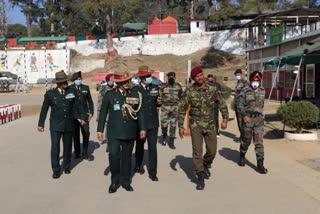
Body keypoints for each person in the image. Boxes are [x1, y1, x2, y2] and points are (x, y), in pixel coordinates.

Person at [178, 66, 229, 190]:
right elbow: (182, 109)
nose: (200, 77)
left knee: (212, 150)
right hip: (195, 125)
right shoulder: (189, 92)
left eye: (201, 75)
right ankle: (200, 176)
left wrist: (225, 119)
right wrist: (180, 126)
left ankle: (206, 163)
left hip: (210, 124)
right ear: (194, 79)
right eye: (197, 76)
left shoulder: (213, 89)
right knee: (197, 151)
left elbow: (222, 103)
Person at [97, 68, 146, 193]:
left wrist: (142, 128)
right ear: (118, 83)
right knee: (113, 156)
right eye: (124, 82)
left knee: (127, 158)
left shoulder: (134, 94)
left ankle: (125, 181)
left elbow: (140, 113)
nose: (126, 83)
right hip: (114, 132)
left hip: (129, 131)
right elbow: (103, 113)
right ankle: (115, 181)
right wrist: (100, 130)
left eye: (127, 81)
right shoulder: (109, 95)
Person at [38, 71, 87, 179]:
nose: (66, 83)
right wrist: (41, 124)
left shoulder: (72, 91)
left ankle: (67, 166)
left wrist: (83, 117)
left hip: (69, 124)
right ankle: (56, 170)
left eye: (66, 81)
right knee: (55, 147)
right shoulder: (50, 94)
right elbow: (44, 109)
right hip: (55, 125)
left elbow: (78, 105)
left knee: (68, 147)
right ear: (59, 83)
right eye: (64, 82)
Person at [132, 65, 162, 181]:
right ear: (143, 77)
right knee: (139, 146)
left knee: (153, 148)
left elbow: (157, 102)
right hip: (140, 124)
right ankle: (138, 165)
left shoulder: (155, 88)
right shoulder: (135, 90)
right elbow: (134, 108)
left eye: (150, 75)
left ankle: (153, 172)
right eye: (148, 76)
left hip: (153, 123)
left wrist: (159, 102)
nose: (150, 77)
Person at [238, 71, 268, 174]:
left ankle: (260, 164)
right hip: (248, 119)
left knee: (259, 143)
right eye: (254, 80)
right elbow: (240, 106)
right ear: (251, 81)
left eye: (257, 81)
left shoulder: (263, 91)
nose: (256, 82)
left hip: (258, 120)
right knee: (246, 141)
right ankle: (242, 155)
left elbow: (262, 104)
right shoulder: (245, 91)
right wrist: (244, 116)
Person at [70, 71, 94, 159]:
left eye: (79, 79)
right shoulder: (70, 88)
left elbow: (90, 101)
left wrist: (91, 112)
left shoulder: (86, 88)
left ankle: (85, 152)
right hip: (74, 116)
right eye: (76, 79)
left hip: (85, 114)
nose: (78, 80)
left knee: (86, 133)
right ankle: (77, 152)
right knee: (75, 135)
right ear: (74, 80)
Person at [160, 72, 183, 149]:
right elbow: (159, 96)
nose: (171, 78)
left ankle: (171, 141)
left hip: (174, 108)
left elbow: (181, 96)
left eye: (172, 77)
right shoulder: (163, 86)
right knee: (164, 124)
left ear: (175, 78)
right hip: (165, 108)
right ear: (167, 78)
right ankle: (164, 136)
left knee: (173, 125)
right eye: (169, 77)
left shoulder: (178, 86)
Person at [96, 74, 114, 151]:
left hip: (115, 112)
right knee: (108, 128)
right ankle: (109, 142)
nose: (112, 81)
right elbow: (99, 102)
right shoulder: (103, 89)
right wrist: (98, 114)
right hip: (106, 112)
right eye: (110, 80)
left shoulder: (117, 88)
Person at [234, 69, 250, 142]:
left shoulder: (244, 82)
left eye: (238, 75)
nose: (237, 76)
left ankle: (244, 137)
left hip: (241, 105)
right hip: (237, 104)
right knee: (239, 121)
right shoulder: (238, 82)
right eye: (236, 75)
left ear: (241, 74)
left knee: (242, 121)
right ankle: (242, 136)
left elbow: (247, 93)